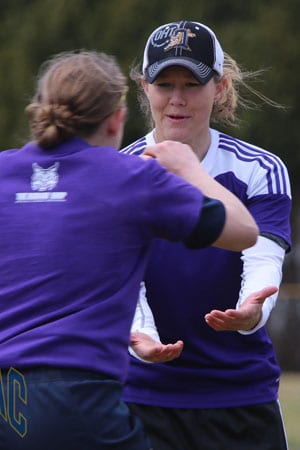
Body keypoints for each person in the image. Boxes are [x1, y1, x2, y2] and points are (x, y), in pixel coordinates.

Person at [0, 50, 258, 450]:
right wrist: (189, 168)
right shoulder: (133, 176)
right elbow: (243, 231)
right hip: (79, 399)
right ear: (117, 118)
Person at [121, 21, 292, 450]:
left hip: (240, 397)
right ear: (145, 87)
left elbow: (262, 261)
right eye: (165, 83)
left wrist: (253, 310)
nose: (177, 98)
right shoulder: (118, 175)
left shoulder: (260, 171)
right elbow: (123, 279)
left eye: (191, 84)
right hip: (144, 398)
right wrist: (143, 338)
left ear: (219, 87)